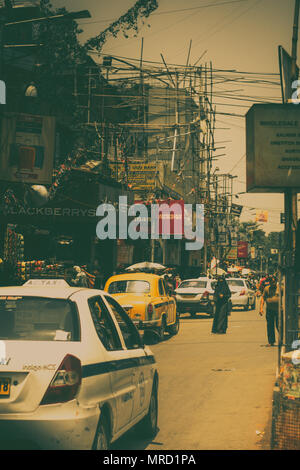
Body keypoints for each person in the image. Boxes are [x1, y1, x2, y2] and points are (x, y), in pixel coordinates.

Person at [259, 275, 279, 346]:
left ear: (276, 282)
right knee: (270, 325)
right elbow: (263, 298)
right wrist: (261, 308)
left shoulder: (281, 288)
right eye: (271, 282)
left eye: (273, 282)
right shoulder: (267, 288)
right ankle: (271, 341)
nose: (272, 283)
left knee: (279, 325)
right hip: (269, 310)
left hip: (279, 310)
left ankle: (282, 340)